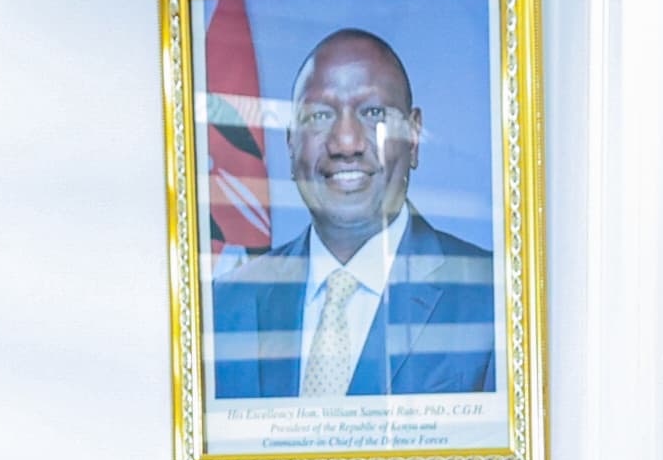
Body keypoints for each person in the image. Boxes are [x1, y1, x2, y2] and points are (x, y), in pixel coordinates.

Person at [206, 26, 499, 400]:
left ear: (413, 138)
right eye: (319, 116)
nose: (346, 142)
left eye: (374, 112)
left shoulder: (492, 297)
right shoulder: (224, 306)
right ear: (291, 143)